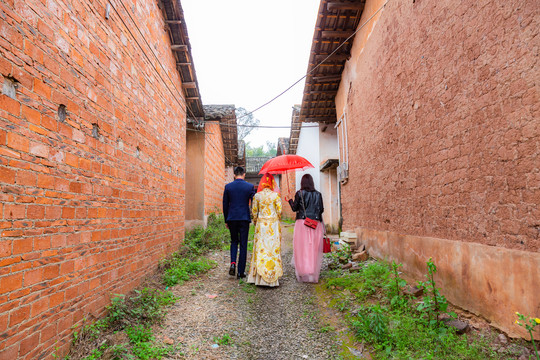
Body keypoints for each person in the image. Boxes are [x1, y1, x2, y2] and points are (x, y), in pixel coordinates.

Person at [247, 173, 283, 287]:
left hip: (261, 226)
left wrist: (256, 221)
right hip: (272, 226)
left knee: (260, 248)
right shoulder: (276, 196)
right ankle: (272, 278)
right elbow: (280, 211)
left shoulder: (257, 196)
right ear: (272, 182)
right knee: (272, 250)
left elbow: (254, 212)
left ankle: (258, 278)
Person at [288, 174, 324, 283]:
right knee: (313, 247)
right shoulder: (318, 194)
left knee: (302, 247)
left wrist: (290, 201)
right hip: (315, 224)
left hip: (302, 223)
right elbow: (321, 210)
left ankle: (304, 270)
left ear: (302, 183)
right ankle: (312, 271)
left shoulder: (299, 193)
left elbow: (295, 209)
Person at [223, 166, 255, 279]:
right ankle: (241, 272)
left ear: (234, 175)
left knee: (233, 241)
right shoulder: (250, 186)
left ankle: (233, 263)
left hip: (232, 218)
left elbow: (225, 205)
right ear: (244, 174)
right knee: (243, 244)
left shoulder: (228, 187)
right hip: (244, 218)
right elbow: (254, 202)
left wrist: (226, 219)